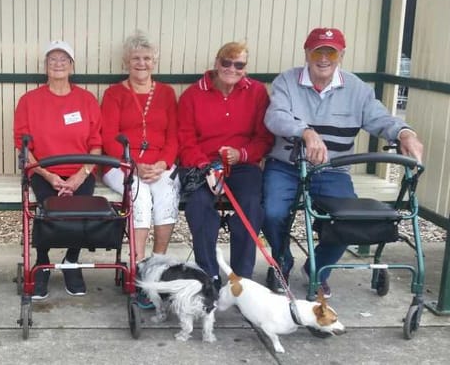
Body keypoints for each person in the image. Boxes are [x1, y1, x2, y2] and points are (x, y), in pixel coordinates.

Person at [262, 27, 424, 298]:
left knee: (349, 221)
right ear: (307, 53)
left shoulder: (357, 88)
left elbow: (380, 119)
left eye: (331, 52)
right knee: (271, 212)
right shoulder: (287, 82)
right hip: (287, 166)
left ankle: (318, 270)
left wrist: (404, 133)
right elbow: (275, 116)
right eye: (318, 51)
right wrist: (306, 132)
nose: (324, 58)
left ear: (341, 55)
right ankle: (282, 261)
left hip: (332, 170)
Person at [177, 41, 274, 288]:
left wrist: (242, 154)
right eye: (226, 63)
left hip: (242, 163)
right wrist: (204, 165)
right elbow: (185, 139)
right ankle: (209, 275)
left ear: (245, 67)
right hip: (203, 165)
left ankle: (242, 279)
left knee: (251, 205)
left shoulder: (257, 92)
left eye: (239, 64)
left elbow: (264, 137)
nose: (232, 68)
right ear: (216, 63)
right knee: (198, 205)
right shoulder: (193, 94)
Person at [13, 40, 103, 300]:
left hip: (80, 170)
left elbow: (96, 144)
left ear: (72, 66)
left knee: (79, 209)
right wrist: (48, 174)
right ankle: (41, 263)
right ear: (45, 66)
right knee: (47, 210)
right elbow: (22, 144)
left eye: (64, 59)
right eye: (52, 59)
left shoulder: (86, 100)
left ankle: (71, 262)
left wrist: (81, 174)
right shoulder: (29, 101)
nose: (58, 63)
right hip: (43, 171)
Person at [101, 31, 179, 263]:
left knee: (168, 192)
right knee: (140, 195)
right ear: (126, 61)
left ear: (154, 61)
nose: (141, 63)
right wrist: (134, 166)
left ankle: (158, 262)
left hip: (159, 164)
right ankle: (138, 263)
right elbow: (108, 139)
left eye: (147, 58)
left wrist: (162, 164)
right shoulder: (114, 93)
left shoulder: (166, 93)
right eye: (136, 58)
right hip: (121, 164)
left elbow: (173, 136)